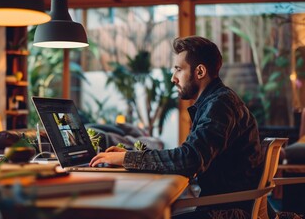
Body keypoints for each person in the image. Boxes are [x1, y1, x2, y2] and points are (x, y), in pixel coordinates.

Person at [90, 36, 264, 218]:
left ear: (200, 71)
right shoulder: (217, 101)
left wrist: (128, 158)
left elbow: (189, 160)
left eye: (179, 70)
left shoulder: (220, 105)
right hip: (221, 206)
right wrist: (129, 156)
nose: (173, 78)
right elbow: (189, 154)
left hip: (224, 212)